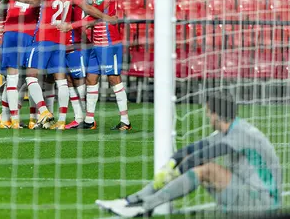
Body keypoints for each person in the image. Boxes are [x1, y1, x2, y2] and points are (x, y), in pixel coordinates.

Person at [96, 90, 282, 217]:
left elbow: (205, 155)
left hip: (264, 204)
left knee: (206, 168)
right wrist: (170, 164)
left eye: (208, 112)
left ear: (216, 114)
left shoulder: (243, 133)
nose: (207, 116)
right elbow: (191, 150)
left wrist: (175, 172)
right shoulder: (228, 131)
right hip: (248, 195)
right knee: (194, 162)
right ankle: (130, 201)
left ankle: (144, 207)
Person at [0, 0, 117, 130]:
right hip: (61, 41)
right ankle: (60, 121)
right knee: (61, 81)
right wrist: (105, 16)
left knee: (30, 76)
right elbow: (88, 8)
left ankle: (43, 111)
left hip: (44, 39)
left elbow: (36, 0)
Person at [58, 0, 131, 131]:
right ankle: (89, 120)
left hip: (108, 42)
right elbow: (95, 18)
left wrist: (73, 25)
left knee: (114, 78)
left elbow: (95, 13)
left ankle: (125, 120)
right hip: (95, 44)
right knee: (91, 79)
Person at [0, 0, 42, 129]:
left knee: (12, 78)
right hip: (28, 33)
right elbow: (38, 1)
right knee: (31, 77)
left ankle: (10, 119)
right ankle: (35, 117)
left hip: (9, 31)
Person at [52, 0, 88, 129]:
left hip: (75, 44)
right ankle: (77, 117)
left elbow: (83, 21)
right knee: (66, 79)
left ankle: (86, 118)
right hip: (61, 43)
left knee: (78, 79)